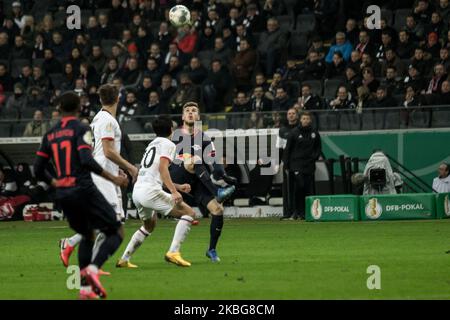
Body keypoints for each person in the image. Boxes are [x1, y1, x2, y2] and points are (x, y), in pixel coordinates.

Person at [33, 91, 128, 299]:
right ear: (78, 108)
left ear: (59, 109)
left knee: (87, 234)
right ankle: (93, 269)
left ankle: (84, 290)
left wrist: (55, 182)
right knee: (117, 230)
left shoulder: (49, 134)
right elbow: (86, 159)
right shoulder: (81, 128)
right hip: (84, 188)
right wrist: (114, 179)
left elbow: (37, 168)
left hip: (63, 193)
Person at [59, 84, 139, 270]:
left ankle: (90, 263)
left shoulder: (100, 118)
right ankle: (77, 250)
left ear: (101, 99)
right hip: (102, 176)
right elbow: (108, 151)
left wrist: (115, 169)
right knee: (112, 221)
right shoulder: (107, 121)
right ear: (118, 98)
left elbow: (102, 151)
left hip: (104, 173)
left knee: (112, 220)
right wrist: (130, 167)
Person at [116, 116, 196, 268]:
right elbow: (162, 169)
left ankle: (124, 259)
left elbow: (155, 174)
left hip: (138, 191)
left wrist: (178, 187)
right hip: (150, 191)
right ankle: (173, 252)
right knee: (189, 213)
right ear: (171, 130)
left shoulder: (152, 144)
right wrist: (174, 192)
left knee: (149, 225)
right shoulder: (168, 144)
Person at [169, 102, 236, 262]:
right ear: (183, 117)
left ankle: (211, 250)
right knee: (194, 159)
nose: (190, 113)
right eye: (187, 111)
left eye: (194, 111)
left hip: (198, 180)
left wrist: (225, 177)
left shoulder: (204, 138)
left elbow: (213, 160)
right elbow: (170, 159)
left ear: (198, 117)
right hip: (178, 177)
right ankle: (217, 191)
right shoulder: (176, 135)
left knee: (218, 210)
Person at [283, 112, 322, 220]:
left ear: (310, 120)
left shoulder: (314, 133)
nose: (305, 120)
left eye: (307, 119)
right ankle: (296, 211)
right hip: (296, 165)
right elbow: (287, 150)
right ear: (300, 120)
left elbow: (318, 148)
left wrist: (314, 157)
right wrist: (286, 165)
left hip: (309, 165)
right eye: (303, 118)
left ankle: (306, 212)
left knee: (308, 188)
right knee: (299, 186)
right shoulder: (294, 133)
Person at [277, 108, 299, 220]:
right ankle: (287, 212)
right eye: (289, 113)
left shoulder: (300, 129)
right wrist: (281, 163)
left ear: (297, 115)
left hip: (299, 162)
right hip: (287, 163)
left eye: (293, 113)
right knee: (287, 188)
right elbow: (280, 149)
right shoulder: (282, 130)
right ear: (286, 116)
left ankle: (298, 212)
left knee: (298, 187)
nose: (291, 115)